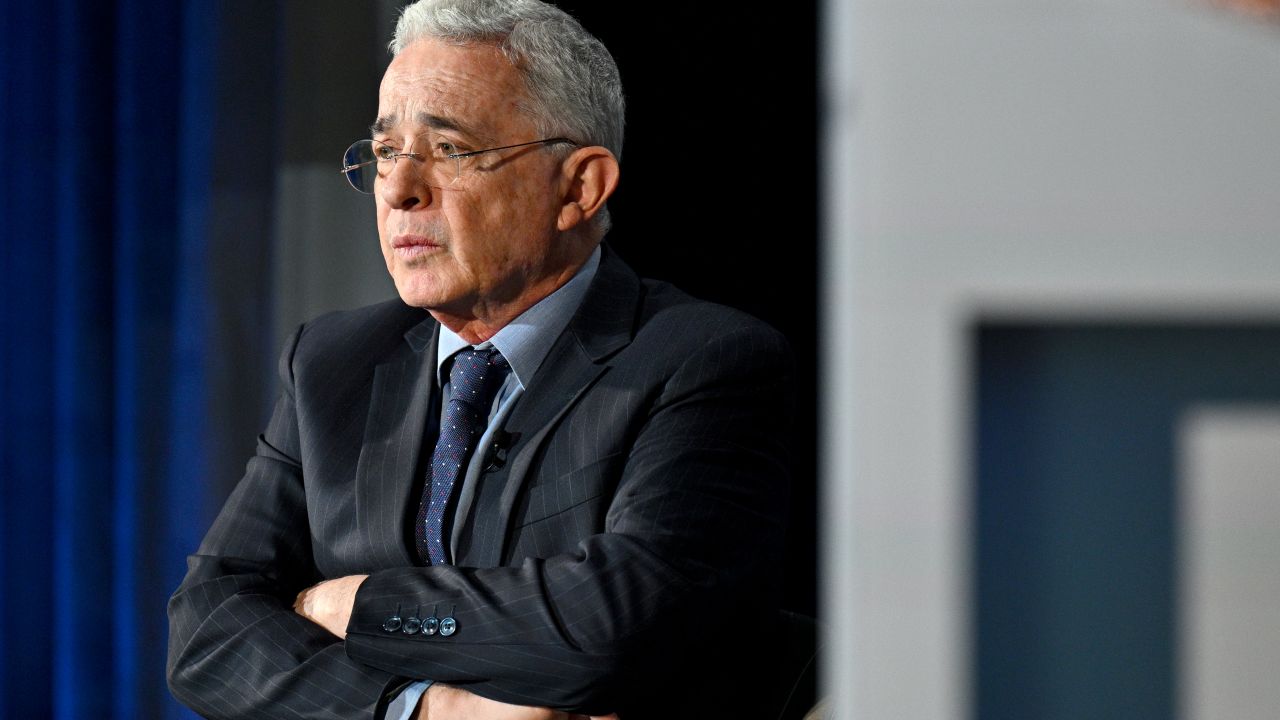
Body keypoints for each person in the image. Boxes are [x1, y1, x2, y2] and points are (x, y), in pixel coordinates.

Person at [167, 1, 794, 718]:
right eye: (386, 152)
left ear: (578, 188)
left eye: (449, 150)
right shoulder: (332, 364)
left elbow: (615, 625)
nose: (398, 190)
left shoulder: (705, 362)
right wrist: (427, 710)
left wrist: (355, 605)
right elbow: (206, 631)